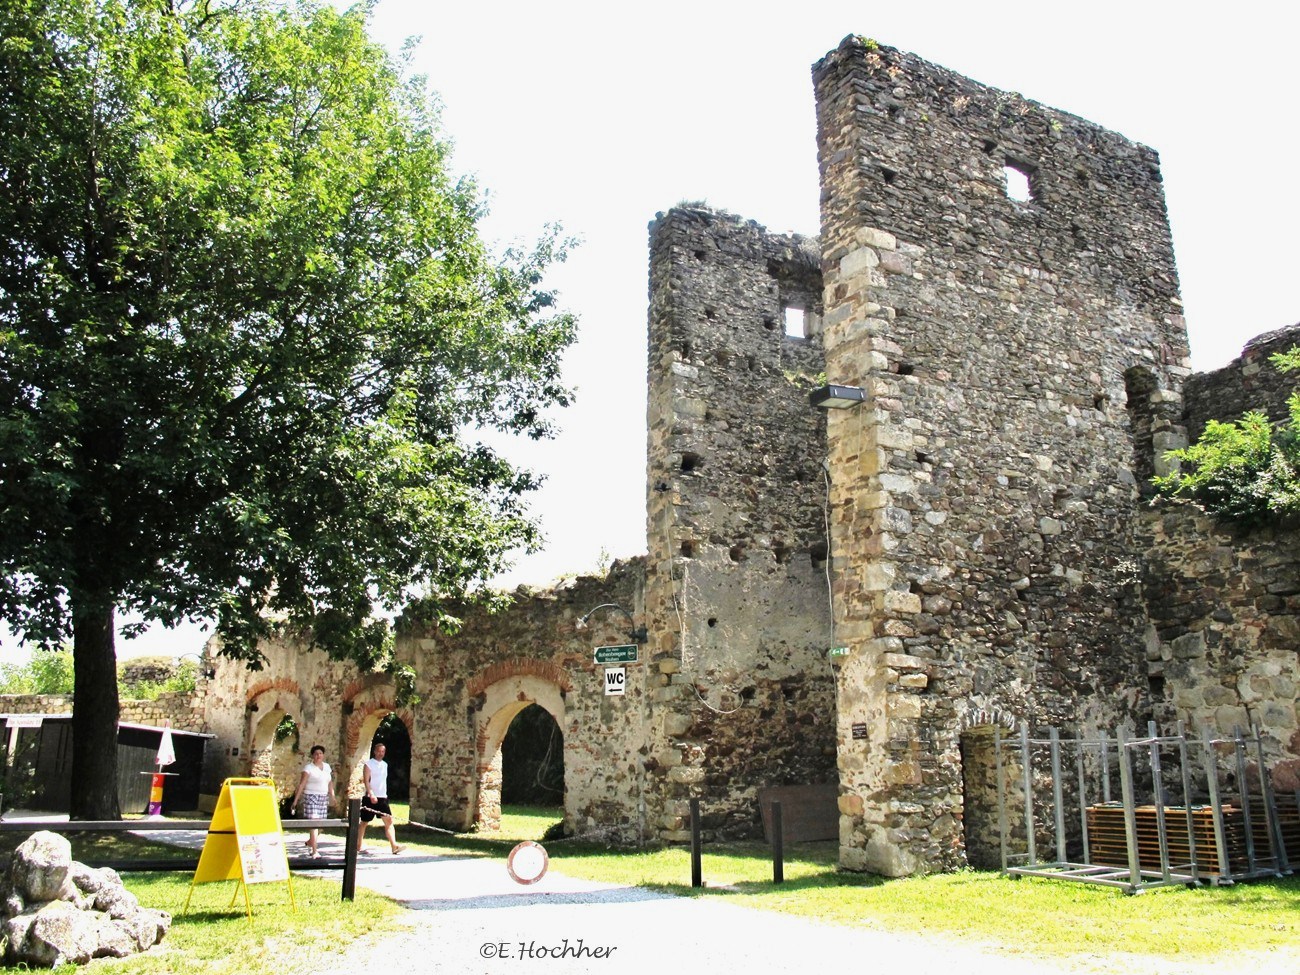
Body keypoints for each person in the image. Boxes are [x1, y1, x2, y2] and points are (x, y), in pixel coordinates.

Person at [358, 741, 404, 855]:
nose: (380, 753)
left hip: (382, 797)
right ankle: (358, 846)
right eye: (379, 751)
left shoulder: (385, 765)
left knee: (388, 821)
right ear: (374, 752)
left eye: (383, 751)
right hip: (370, 797)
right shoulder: (369, 764)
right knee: (364, 822)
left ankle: (394, 846)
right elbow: (366, 780)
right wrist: (370, 793)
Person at [291, 744, 335, 858]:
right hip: (311, 797)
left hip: (323, 797)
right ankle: (315, 851)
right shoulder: (308, 768)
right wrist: (295, 801)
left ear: (323, 755)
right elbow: (302, 784)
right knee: (314, 823)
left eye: (320, 753)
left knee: (321, 825)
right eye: (316, 754)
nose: (318, 756)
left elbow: (330, 783)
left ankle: (311, 840)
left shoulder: (327, 767)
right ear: (312, 756)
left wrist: (332, 796)